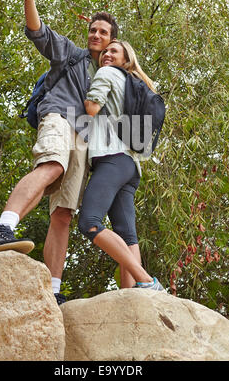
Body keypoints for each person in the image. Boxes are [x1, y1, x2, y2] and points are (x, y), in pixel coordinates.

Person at [0, 0, 119, 304]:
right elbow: (37, 31)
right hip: (57, 117)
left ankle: (53, 293)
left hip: (83, 140)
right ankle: (2, 229)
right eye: (93, 31)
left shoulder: (112, 78)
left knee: (63, 214)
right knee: (51, 166)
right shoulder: (71, 54)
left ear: (113, 41)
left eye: (103, 33)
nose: (96, 36)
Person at [78, 40, 164, 291]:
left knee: (89, 222)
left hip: (111, 158)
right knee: (128, 237)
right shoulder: (131, 82)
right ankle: (133, 295)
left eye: (114, 51)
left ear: (126, 58)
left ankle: (146, 280)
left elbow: (92, 108)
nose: (106, 54)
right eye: (105, 51)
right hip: (130, 166)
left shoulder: (106, 73)